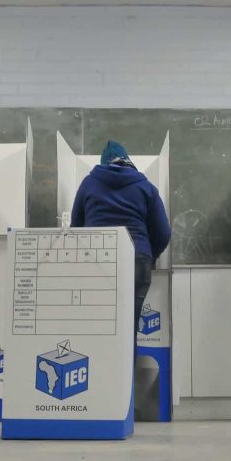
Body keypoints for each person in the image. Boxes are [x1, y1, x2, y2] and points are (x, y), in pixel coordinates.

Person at [71, 141, 172, 336]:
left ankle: (100, 366)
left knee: (95, 328)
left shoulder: (88, 183)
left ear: (103, 163)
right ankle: (127, 367)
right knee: (128, 330)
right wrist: (149, 256)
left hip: (96, 259)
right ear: (128, 161)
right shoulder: (145, 186)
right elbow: (164, 232)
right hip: (136, 259)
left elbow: (75, 229)